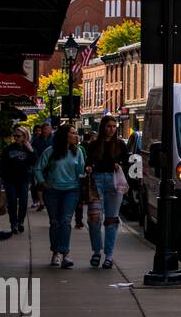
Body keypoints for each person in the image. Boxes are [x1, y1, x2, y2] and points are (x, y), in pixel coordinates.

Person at [35, 124, 90, 268]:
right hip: (53, 191)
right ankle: (55, 253)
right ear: (65, 135)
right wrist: (43, 182)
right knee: (55, 222)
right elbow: (38, 168)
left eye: (76, 133)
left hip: (71, 191)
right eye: (73, 133)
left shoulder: (77, 151)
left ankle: (65, 254)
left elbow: (80, 171)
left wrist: (86, 171)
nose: (75, 135)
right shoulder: (51, 151)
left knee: (65, 221)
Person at [84, 115, 128, 269]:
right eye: (109, 126)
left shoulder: (121, 145)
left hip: (114, 182)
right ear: (103, 127)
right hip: (97, 181)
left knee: (111, 220)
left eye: (114, 126)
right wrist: (88, 167)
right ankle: (96, 251)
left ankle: (108, 256)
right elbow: (88, 161)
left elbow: (127, 163)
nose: (112, 129)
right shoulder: (94, 145)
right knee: (94, 218)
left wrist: (120, 165)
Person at [0, 127, 36, 235]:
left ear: (25, 136)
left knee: (24, 202)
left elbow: (34, 161)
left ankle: (21, 222)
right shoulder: (9, 148)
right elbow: (3, 164)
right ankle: (13, 224)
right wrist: (0, 178)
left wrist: (31, 150)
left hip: (24, 179)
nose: (15, 138)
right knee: (12, 202)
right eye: (14, 135)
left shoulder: (29, 149)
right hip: (10, 179)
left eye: (18, 136)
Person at [31, 122, 52, 211]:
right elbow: (32, 151)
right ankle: (41, 202)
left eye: (46, 129)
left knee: (49, 183)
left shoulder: (54, 139)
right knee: (39, 183)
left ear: (50, 130)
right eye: (43, 129)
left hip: (51, 165)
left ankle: (47, 201)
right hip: (39, 164)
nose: (44, 131)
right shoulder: (36, 140)